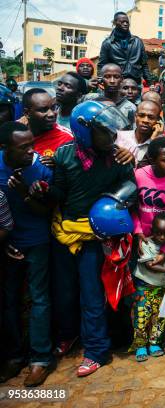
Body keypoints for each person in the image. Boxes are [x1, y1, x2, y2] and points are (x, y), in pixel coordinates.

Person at [33, 100, 134, 377]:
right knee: (63, 293)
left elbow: (131, 185)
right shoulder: (64, 156)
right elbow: (61, 193)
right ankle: (68, 335)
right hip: (65, 233)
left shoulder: (118, 157)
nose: (112, 135)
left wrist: (116, 200)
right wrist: (44, 189)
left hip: (95, 236)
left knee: (92, 296)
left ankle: (96, 351)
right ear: (84, 133)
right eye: (104, 131)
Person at [0, 122, 54, 386]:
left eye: (32, 144)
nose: (31, 151)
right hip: (7, 243)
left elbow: (46, 212)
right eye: (23, 147)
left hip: (37, 241)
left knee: (39, 299)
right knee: (9, 301)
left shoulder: (41, 167)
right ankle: (13, 357)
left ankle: (40, 359)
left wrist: (25, 193)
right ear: (4, 148)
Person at [132, 137, 165, 355]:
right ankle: (140, 341)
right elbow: (133, 207)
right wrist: (137, 233)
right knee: (144, 295)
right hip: (144, 243)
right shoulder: (139, 176)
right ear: (153, 159)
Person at [130, 212, 165, 362]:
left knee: (159, 318)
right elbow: (149, 265)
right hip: (144, 288)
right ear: (152, 230)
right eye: (158, 233)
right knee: (141, 318)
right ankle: (140, 346)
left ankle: (154, 343)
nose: (162, 237)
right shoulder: (146, 244)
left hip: (161, 289)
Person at [98, 12, 153, 84]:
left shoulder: (137, 42)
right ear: (115, 23)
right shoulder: (108, 43)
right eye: (122, 22)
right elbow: (102, 65)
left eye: (127, 22)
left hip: (135, 83)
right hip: (116, 84)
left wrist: (150, 83)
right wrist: (101, 81)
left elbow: (144, 65)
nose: (125, 24)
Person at [23, 89, 73, 159]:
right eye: (43, 110)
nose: (51, 114)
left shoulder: (67, 139)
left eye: (53, 108)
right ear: (27, 113)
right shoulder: (15, 135)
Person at [115, 100, 162, 164]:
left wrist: (154, 141)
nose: (145, 120)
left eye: (151, 117)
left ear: (158, 120)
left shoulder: (160, 145)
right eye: (141, 115)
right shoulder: (119, 136)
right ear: (135, 117)